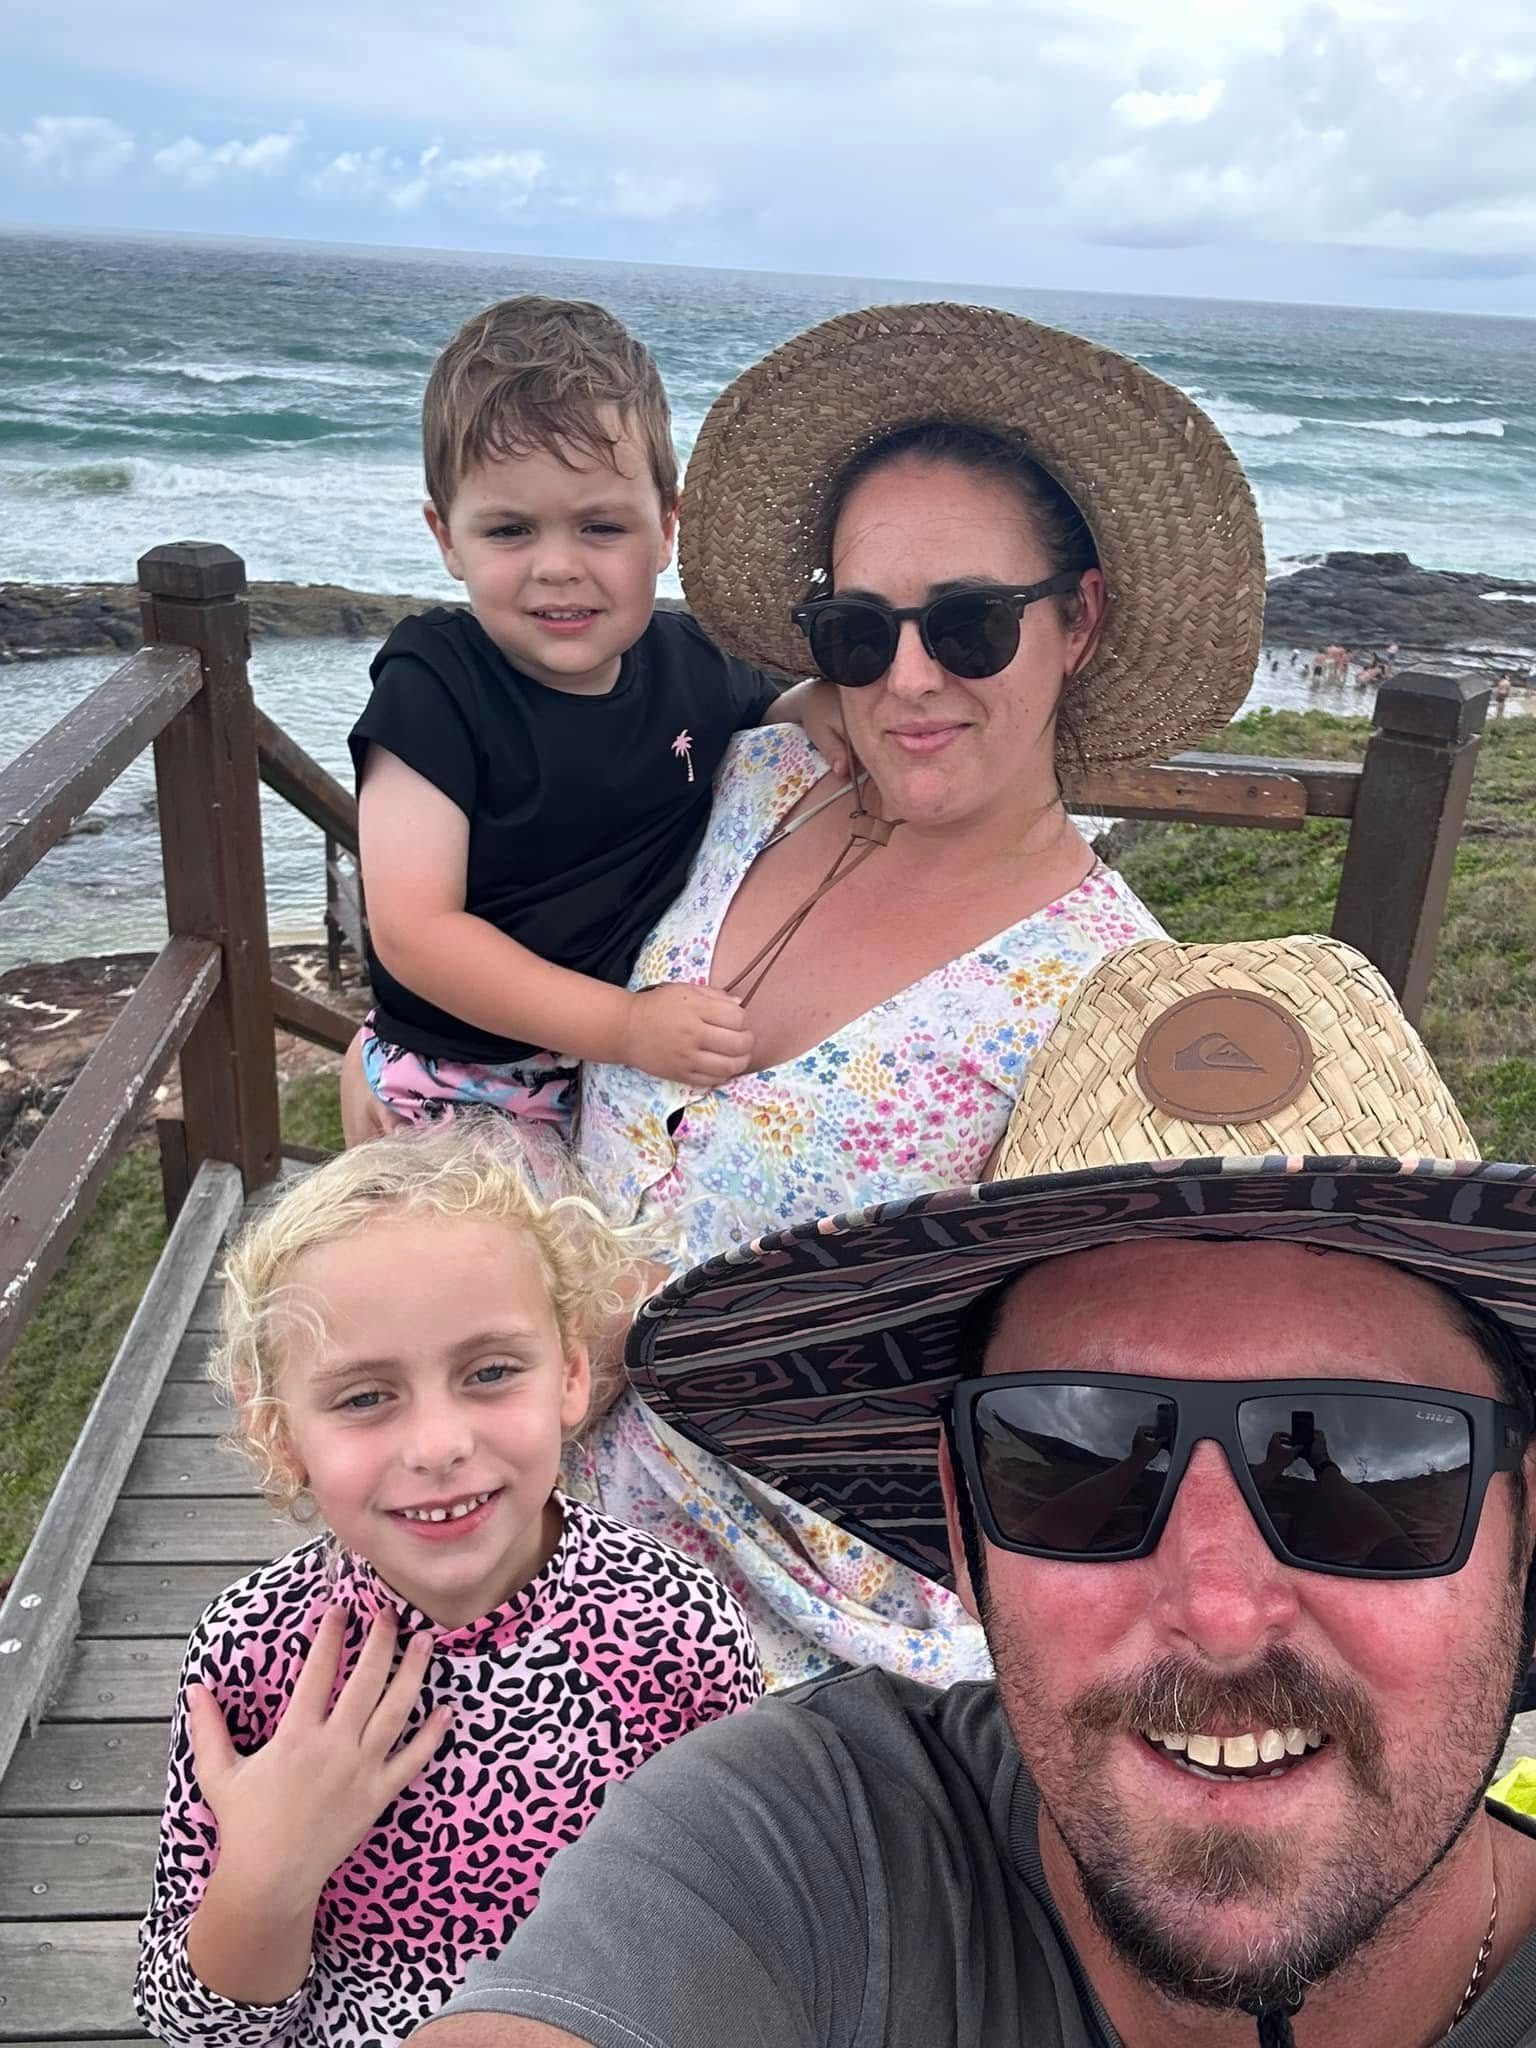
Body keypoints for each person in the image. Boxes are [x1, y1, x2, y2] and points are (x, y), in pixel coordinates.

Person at [345, 300, 1267, 1690]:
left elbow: (1076, 1416)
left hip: (784, 1642)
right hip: (505, 1521)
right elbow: (515, 893)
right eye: (857, 629)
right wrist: (399, 1068)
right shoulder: (757, 775)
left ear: (1079, 618)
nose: (909, 677)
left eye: (969, 624)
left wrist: (648, 1342)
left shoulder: (1108, 995)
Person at [414, 934, 1536, 2048]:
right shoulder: (802, 1846)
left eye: (1363, 1462)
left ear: (1526, 1528)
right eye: (1077, 1460)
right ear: (964, 1524)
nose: (1221, 1614)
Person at [134, 1125, 761, 2048]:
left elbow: (743, 1935)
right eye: (364, 1397)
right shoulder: (252, 1654)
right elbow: (195, 2025)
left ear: (571, 1375)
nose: (438, 1445)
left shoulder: (676, 1628)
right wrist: (268, 1876)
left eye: (490, 1373)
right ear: (279, 1432)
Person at [344, 294, 837, 1185]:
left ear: (667, 529)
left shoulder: (693, 665)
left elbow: (784, 715)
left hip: (609, 1087)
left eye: (601, 526)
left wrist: (838, 702)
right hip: (461, 1084)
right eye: (509, 529)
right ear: (446, 538)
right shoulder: (434, 685)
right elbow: (416, 932)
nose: (558, 566)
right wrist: (625, 1027)